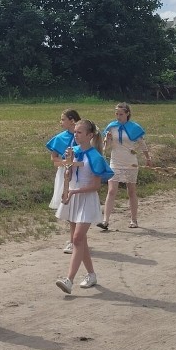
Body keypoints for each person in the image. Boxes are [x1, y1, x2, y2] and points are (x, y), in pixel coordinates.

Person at [55, 119, 114, 294]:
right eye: (75, 132)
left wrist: (75, 192)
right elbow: (68, 175)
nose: (76, 134)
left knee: (77, 239)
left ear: (89, 135)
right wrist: (68, 165)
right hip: (73, 198)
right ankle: (91, 274)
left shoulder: (95, 156)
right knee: (80, 241)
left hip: (86, 200)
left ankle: (69, 280)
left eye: (80, 132)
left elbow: (96, 186)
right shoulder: (73, 152)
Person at [100, 102, 151, 229]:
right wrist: (108, 140)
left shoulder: (134, 127)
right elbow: (106, 148)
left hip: (130, 161)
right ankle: (105, 220)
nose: (118, 116)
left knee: (131, 191)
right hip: (115, 161)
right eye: (116, 114)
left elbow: (142, 143)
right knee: (111, 190)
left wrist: (147, 158)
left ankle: (134, 220)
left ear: (127, 114)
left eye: (121, 114)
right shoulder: (111, 127)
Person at [46, 109, 81, 254]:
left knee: (76, 206)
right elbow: (54, 158)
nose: (61, 122)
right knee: (68, 205)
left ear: (72, 120)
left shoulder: (83, 135)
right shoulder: (60, 138)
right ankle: (74, 238)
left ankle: (76, 239)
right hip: (65, 173)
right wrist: (65, 163)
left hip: (80, 173)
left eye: (63, 119)